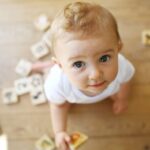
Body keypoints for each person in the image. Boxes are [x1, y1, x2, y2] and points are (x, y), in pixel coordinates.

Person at [32, 2, 135, 150]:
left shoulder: (122, 66)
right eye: (78, 64)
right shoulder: (57, 84)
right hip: (71, 95)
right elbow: (57, 105)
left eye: (104, 58)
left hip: (107, 92)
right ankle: (44, 67)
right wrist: (59, 131)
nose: (95, 75)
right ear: (60, 65)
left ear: (118, 49)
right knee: (63, 101)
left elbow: (126, 81)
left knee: (117, 90)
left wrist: (122, 99)